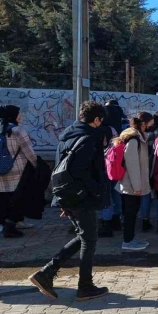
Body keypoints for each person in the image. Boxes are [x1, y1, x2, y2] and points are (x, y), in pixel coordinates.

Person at [29, 101, 108, 301]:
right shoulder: (89, 138)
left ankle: (46, 273)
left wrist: (64, 199)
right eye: (101, 120)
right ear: (96, 119)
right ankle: (85, 286)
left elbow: (60, 168)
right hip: (82, 197)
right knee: (89, 240)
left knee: (84, 237)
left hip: (69, 194)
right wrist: (96, 191)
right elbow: (80, 171)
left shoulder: (67, 135)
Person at [0, 105, 37, 238]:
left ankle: (2, 224)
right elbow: (30, 153)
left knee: (2, 199)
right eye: (19, 113)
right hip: (18, 172)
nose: (20, 116)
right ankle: (14, 223)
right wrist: (35, 165)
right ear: (12, 115)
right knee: (18, 199)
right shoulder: (18, 130)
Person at [116, 112, 154, 251]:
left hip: (132, 185)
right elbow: (132, 165)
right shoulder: (134, 140)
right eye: (150, 122)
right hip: (130, 186)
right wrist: (137, 187)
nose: (152, 125)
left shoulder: (139, 138)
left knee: (132, 213)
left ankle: (130, 239)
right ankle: (127, 242)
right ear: (143, 123)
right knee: (130, 215)